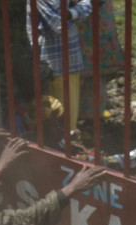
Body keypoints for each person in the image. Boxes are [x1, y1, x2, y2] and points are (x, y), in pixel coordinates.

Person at [26, 0, 91, 133]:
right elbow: (56, 26)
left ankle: (69, 148)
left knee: (70, 121)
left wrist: (70, 13)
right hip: (53, 65)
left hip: (70, 59)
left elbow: (87, 5)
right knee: (57, 122)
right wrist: (74, 11)